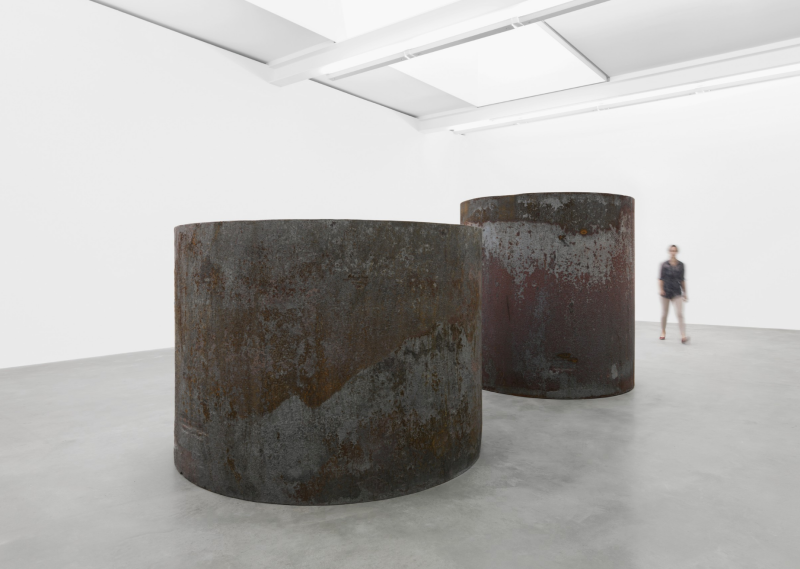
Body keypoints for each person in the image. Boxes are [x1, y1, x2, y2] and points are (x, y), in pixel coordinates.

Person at [659, 245, 688, 343]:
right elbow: (661, 278)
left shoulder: (681, 265)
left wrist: (685, 292)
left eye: (674, 251)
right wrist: (661, 289)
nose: (673, 252)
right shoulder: (664, 265)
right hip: (666, 291)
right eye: (671, 250)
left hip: (676, 292)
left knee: (680, 313)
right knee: (664, 313)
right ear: (669, 252)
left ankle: (683, 335)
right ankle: (663, 331)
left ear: (677, 252)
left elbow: (682, 280)